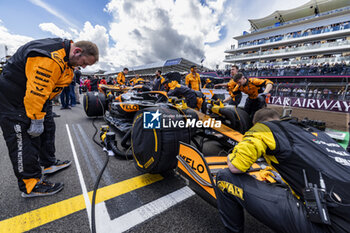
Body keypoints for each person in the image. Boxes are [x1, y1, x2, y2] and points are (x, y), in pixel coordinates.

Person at [216, 108, 350, 233]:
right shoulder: (319, 134)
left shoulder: (264, 128)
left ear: (256, 123)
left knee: (225, 176)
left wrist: (230, 156)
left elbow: (236, 167)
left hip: (331, 223)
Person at [0, 38, 98, 197]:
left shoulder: (68, 59)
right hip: (13, 100)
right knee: (22, 139)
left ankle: (48, 163)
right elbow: (36, 92)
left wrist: (42, 115)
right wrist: (36, 118)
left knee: (48, 127)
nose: (84, 67)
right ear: (77, 51)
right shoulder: (49, 57)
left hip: (38, 97)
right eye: (84, 63)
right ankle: (30, 184)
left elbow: (52, 88)